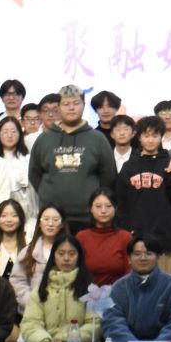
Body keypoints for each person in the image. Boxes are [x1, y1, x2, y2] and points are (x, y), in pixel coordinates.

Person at [29, 84, 117, 234]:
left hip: (89, 217)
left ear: (83, 105)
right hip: (52, 218)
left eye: (76, 103)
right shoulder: (44, 139)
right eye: (66, 104)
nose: (71, 108)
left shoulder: (97, 138)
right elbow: (34, 174)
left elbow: (108, 176)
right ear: (58, 108)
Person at [115, 116, 171, 268]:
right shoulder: (129, 166)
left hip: (164, 237)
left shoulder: (169, 162)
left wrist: (170, 177)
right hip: (135, 237)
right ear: (139, 137)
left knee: (164, 280)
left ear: (161, 137)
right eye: (146, 135)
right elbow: (121, 202)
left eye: (155, 135)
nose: (150, 140)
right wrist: (126, 230)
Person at [103, 238, 171, 342]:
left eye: (149, 253)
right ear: (129, 258)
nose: (143, 258)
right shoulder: (119, 287)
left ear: (158, 256)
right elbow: (112, 321)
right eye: (137, 254)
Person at [21, 233, 100, 342]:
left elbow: (94, 324)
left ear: (79, 257)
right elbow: (31, 323)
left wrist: (68, 340)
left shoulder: (90, 290)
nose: (66, 258)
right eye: (61, 254)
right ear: (54, 256)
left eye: (72, 254)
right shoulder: (40, 290)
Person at [76, 191, 133, 286]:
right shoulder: (81, 237)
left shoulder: (125, 237)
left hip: (118, 291)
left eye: (108, 206)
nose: (103, 211)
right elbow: (76, 272)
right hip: (86, 292)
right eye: (98, 206)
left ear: (115, 208)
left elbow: (130, 273)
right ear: (91, 209)